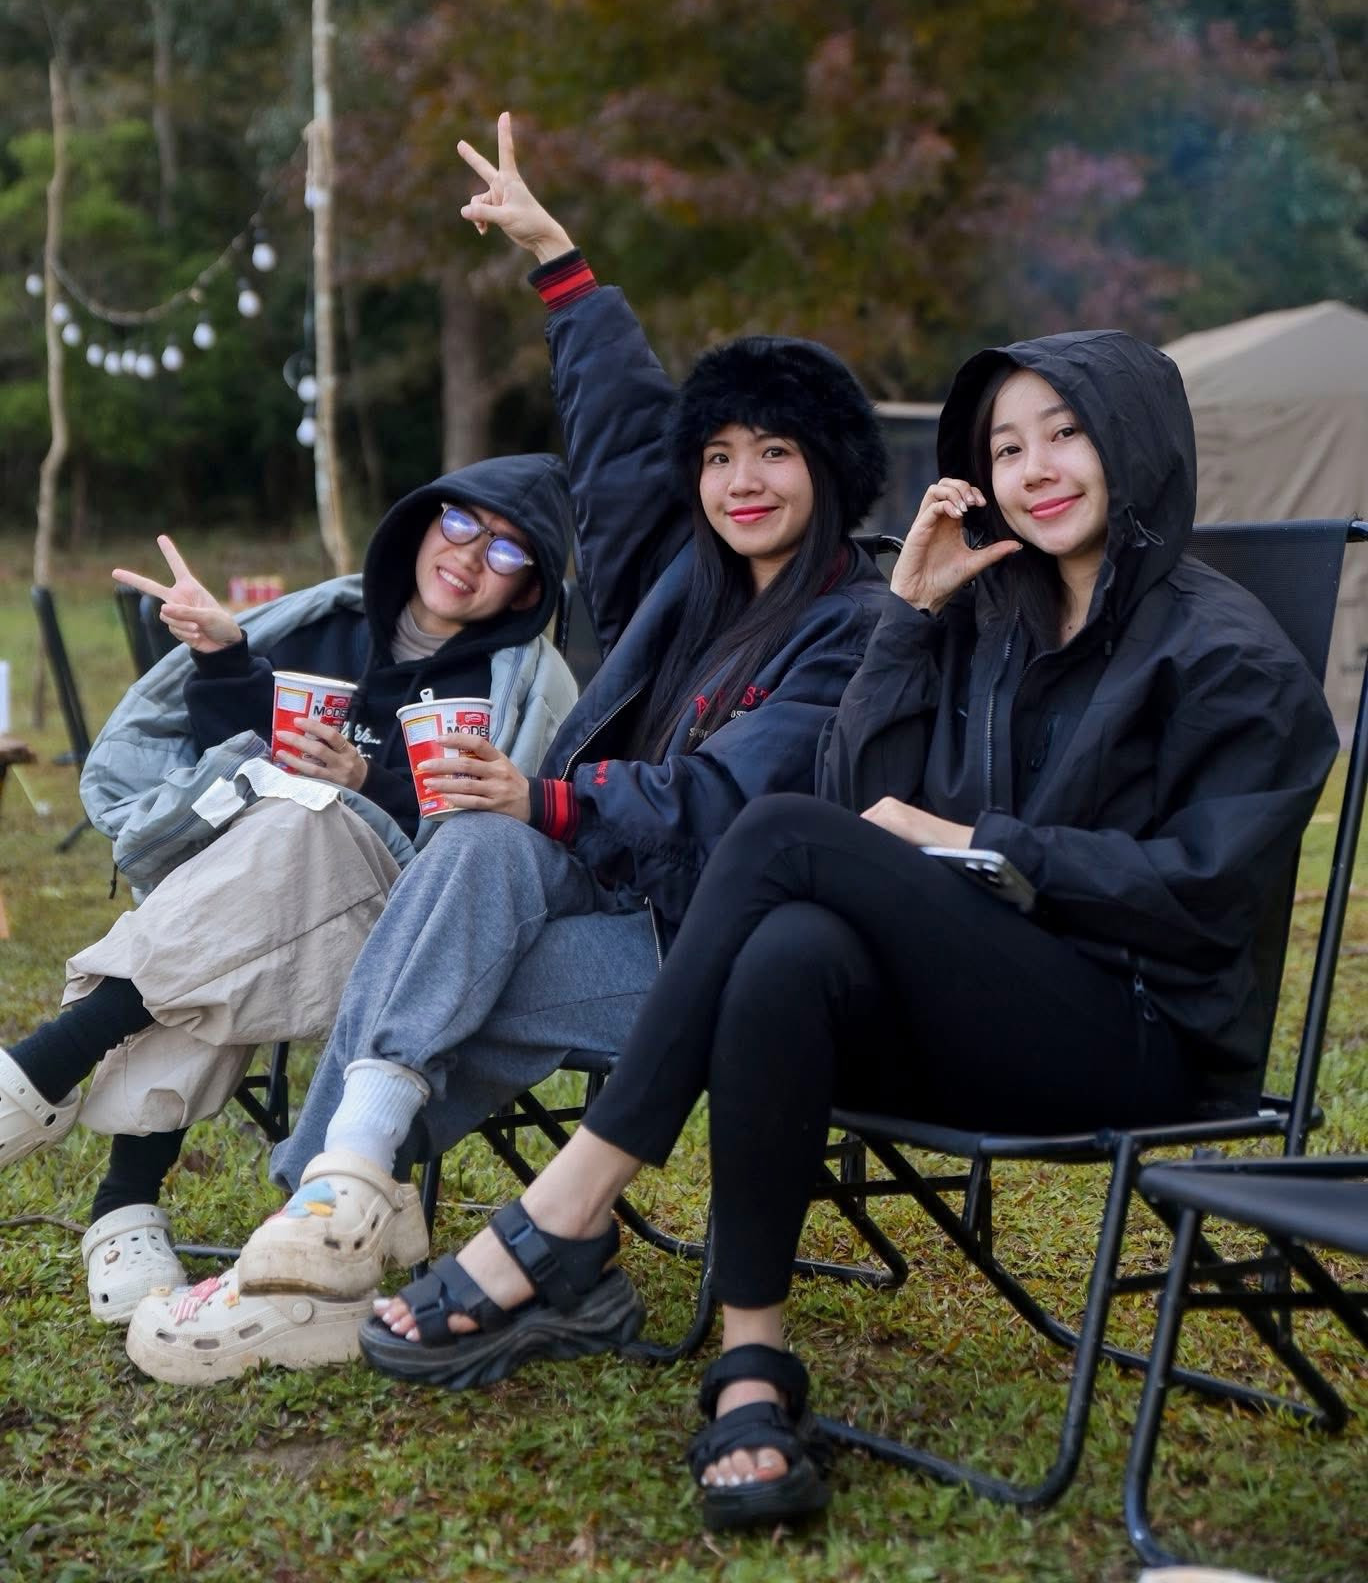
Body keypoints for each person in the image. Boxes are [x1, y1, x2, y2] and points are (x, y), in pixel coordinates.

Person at [349, 329, 1338, 1533]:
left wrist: (979, 841)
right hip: (978, 1008)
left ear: (1133, 442)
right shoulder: (989, 619)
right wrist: (909, 616)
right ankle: (752, 1369)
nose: (1035, 468)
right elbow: (854, 793)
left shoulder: (1229, 653)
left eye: (1066, 433)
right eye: (1007, 447)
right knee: (788, 950)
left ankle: (566, 1210)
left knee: (774, 833)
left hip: (1137, 1032)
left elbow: (1206, 892)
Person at [124, 111, 892, 1383]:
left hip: (712, 948)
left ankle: (316, 1243)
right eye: (718, 455)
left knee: (436, 979)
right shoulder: (682, 578)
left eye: (775, 452)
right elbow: (620, 432)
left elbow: (731, 799)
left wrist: (552, 798)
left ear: (830, 469)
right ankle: (338, 1209)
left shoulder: (853, 621)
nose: (740, 479)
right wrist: (560, 266)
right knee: (473, 851)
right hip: (607, 888)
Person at [0, 454, 576, 1328]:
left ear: (528, 587)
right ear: (426, 521)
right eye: (462, 524)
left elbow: (495, 844)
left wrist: (368, 784)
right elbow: (217, 756)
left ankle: (61, 1084)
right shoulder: (325, 626)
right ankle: (120, 1209)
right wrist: (224, 657)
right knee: (269, 864)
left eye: (505, 551)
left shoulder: (517, 686)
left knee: (303, 829)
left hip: (397, 931)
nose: (469, 554)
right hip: (259, 909)